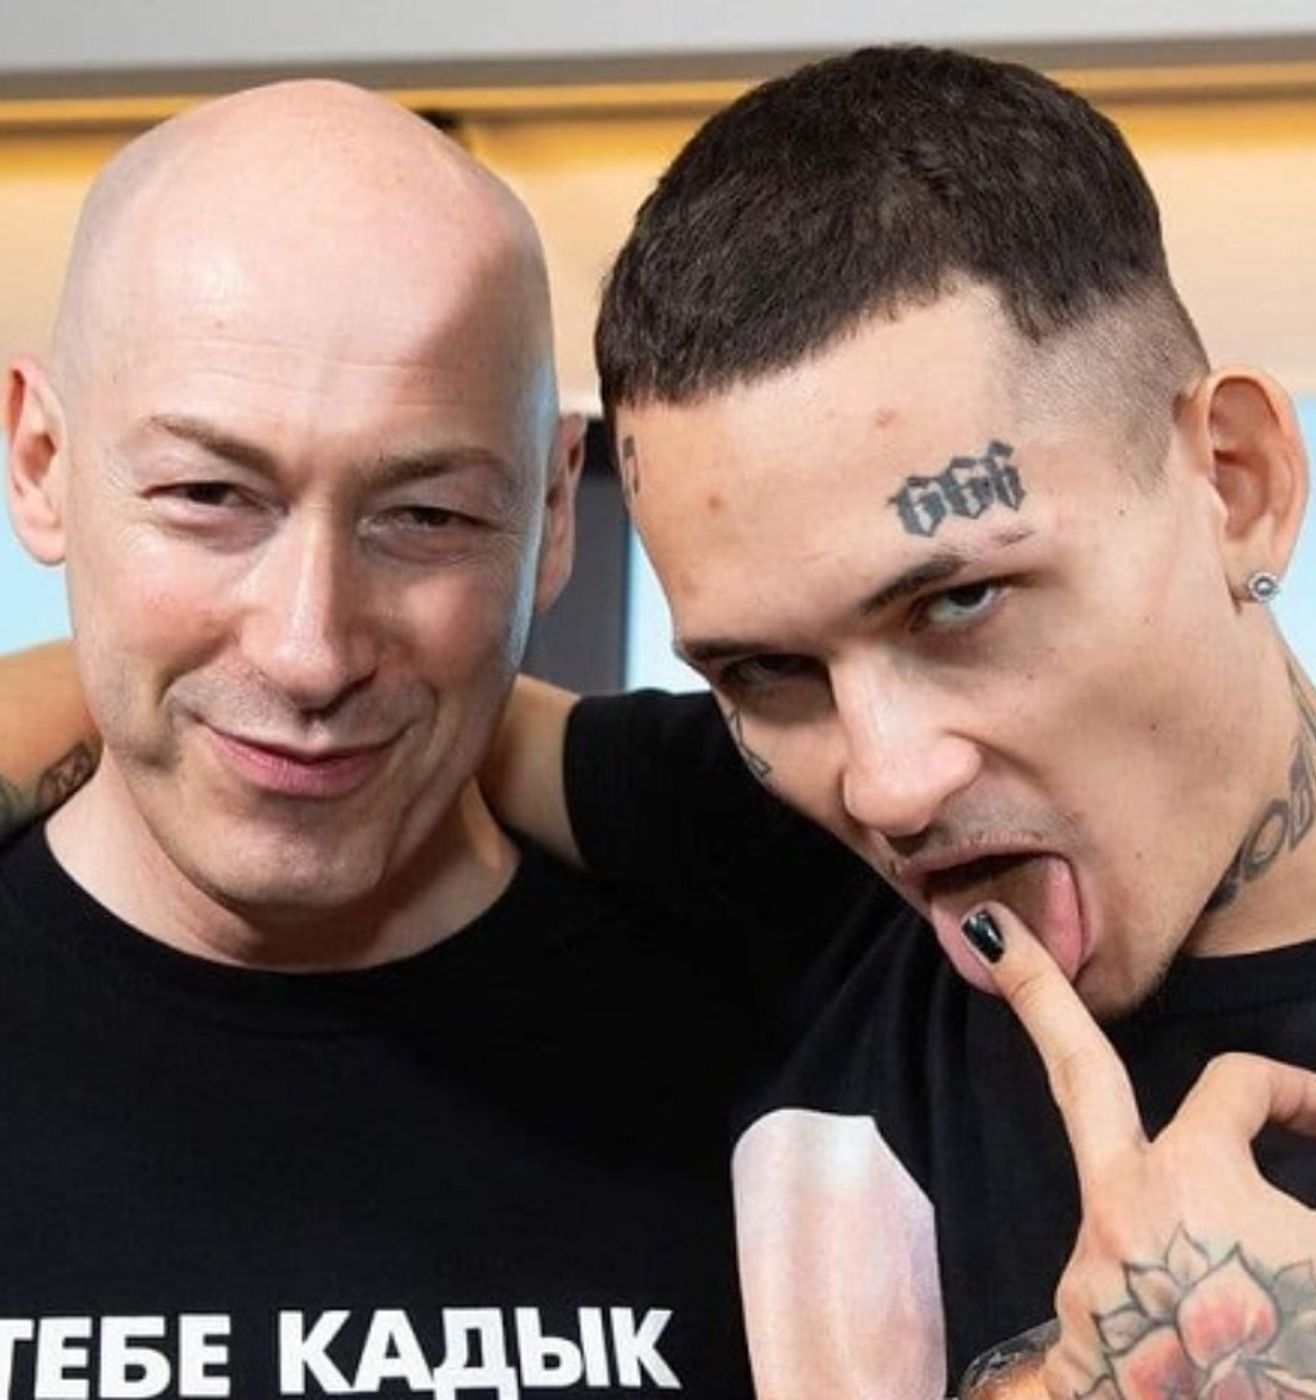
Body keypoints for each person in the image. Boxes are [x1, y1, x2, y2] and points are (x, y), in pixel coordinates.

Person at [6, 48, 1316, 1400]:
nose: (890, 784)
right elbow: (343, 697)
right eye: (767, 670)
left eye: (961, 602)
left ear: (1237, 482)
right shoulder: (789, 862)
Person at [0, 81, 764, 1396]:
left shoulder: (788, 1048)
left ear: (554, 513)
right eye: (209, 495)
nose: (310, 650)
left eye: (427, 518)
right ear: (40, 462)